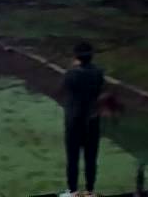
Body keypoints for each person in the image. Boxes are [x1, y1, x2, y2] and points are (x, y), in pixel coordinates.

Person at [60, 41, 105, 197]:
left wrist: (73, 67)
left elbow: (65, 88)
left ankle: (73, 191)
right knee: (91, 158)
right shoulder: (99, 72)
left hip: (74, 120)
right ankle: (89, 191)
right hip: (92, 119)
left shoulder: (71, 74)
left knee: (73, 158)